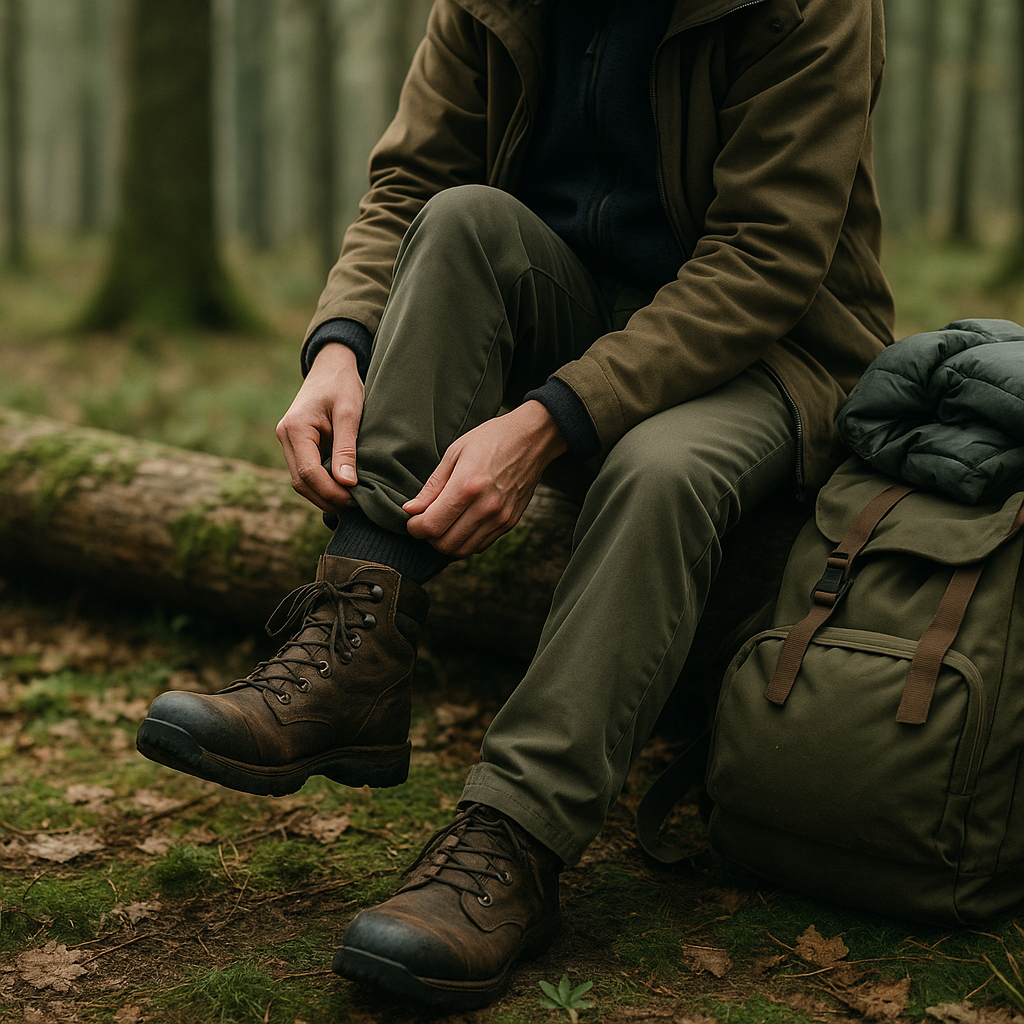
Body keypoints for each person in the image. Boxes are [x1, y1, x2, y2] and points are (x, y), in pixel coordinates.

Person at [136, 0, 893, 1010]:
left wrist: (548, 421)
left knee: (658, 469)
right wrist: (339, 344)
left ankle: (512, 840)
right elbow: (412, 180)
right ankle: (355, 650)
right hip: (572, 305)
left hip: (772, 350)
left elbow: (764, 258)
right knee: (459, 220)